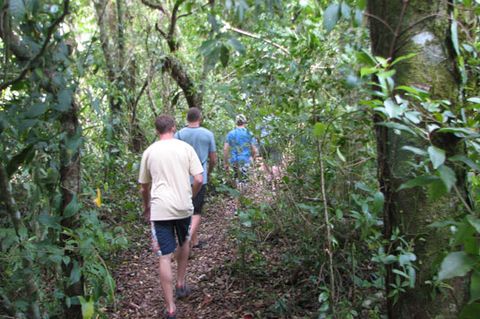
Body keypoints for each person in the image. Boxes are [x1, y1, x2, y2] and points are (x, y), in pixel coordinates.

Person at [139, 115, 203, 319]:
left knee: (164, 256)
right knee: (184, 241)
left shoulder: (149, 152)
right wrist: (190, 195)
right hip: (183, 206)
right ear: (174, 128)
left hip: (160, 209)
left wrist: (147, 206)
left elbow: (143, 186)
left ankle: (171, 308)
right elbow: (199, 179)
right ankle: (181, 283)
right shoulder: (185, 148)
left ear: (156, 130)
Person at [175, 107, 217, 249]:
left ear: (187, 118)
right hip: (200, 178)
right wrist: (209, 172)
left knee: (187, 210)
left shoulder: (179, 134)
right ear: (200, 118)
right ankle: (187, 240)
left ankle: (195, 241)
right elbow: (213, 158)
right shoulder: (208, 134)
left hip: (183, 178)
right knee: (196, 211)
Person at [223, 114, 257, 186]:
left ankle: (239, 195)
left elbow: (225, 149)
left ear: (236, 122)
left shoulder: (231, 134)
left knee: (237, 182)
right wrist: (253, 159)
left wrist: (226, 163)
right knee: (246, 182)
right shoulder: (249, 133)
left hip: (234, 162)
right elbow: (254, 150)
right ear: (245, 122)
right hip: (246, 161)